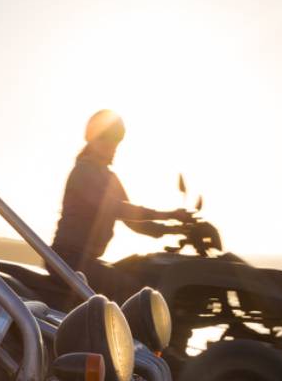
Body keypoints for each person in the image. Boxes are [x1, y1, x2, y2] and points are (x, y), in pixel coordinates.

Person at [50, 110, 192, 301]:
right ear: (91, 138)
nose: (111, 144)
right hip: (67, 259)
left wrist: (176, 229)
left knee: (141, 273)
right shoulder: (83, 171)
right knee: (135, 292)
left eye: (116, 138)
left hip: (85, 260)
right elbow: (115, 208)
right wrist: (168, 215)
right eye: (105, 137)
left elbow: (134, 222)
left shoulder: (109, 178)